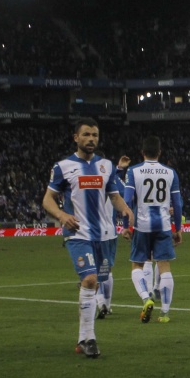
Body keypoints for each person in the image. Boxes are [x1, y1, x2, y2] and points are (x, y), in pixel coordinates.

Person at [42, 117, 134, 359]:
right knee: (91, 279)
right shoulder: (63, 167)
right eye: (86, 134)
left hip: (105, 235)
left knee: (96, 283)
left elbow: (114, 196)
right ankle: (89, 338)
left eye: (94, 135)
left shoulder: (106, 166)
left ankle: (82, 339)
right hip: (78, 234)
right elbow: (47, 199)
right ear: (76, 138)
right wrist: (62, 215)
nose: (91, 139)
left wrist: (125, 209)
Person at [122, 136, 183, 324]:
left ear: (142, 152)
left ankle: (146, 298)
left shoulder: (133, 171)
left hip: (142, 225)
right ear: (159, 152)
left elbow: (127, 200)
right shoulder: (170, 172)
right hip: (163, 226)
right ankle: (164, 313)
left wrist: (125, 226)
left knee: (137, 265)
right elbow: (177, 204)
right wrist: (178, 229)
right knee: (164, 267)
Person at [96, 154, 131, 320]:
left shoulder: (85, 178)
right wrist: (118, 170)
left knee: (92, 271)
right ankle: (107, 305)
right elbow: (124, 194)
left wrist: (118, 169)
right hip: (110, 231)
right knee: (107, 269)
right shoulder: (112, 179)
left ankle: (100, 302)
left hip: (93, 231)